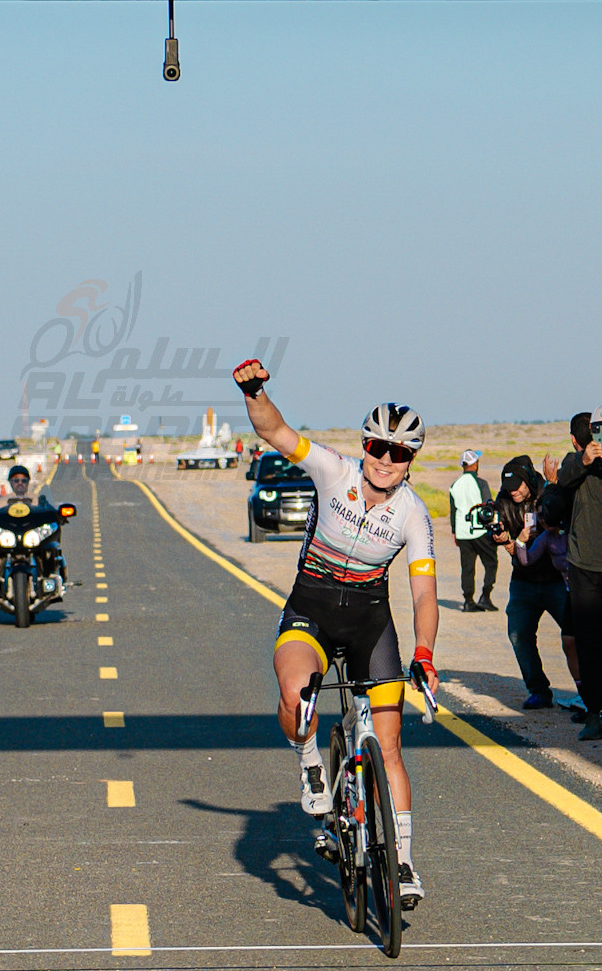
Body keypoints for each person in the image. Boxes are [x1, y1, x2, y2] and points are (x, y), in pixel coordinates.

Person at [233, 358, 438, 909]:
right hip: (312, 613)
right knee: (296, 696)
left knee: (389, 746)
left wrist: (424, 653)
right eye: (377, 447)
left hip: (371, 623)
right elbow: (275, 431)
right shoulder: (334, 471)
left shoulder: (413, 514)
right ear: (364, 445)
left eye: (399, 453)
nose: (386, 460)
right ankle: (310, 766)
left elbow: (424, 594)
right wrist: (255, 393)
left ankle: (403, 861)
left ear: (411, 460)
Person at [491, 455, 569, 711]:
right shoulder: (504, 500)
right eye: (508, 487)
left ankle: (588, 694)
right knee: (519, 634)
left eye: (517, 486)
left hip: (556, 580)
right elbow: (506, 541)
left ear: (528, 481)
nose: (513, 491)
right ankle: (538, 691)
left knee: (577, 634)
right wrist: (503, 539)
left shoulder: (547, 493)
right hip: (523, 580)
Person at [556, 405, 602, 741]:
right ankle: (595, 712)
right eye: (597, 429)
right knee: (588, 643)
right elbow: (562, 479)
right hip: (584, 564)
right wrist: (584, 460)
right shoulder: (579, 461)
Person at [449, 449, 498, 611]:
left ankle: (468, 601)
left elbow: (453, 511)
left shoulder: (455, 485)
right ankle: (486, 595)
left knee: (467, 567)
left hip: (462, 532)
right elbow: (488, 508)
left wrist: (454, 531)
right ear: (475, 464)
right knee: (491, 563)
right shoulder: (481, 483)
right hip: (480, 530)